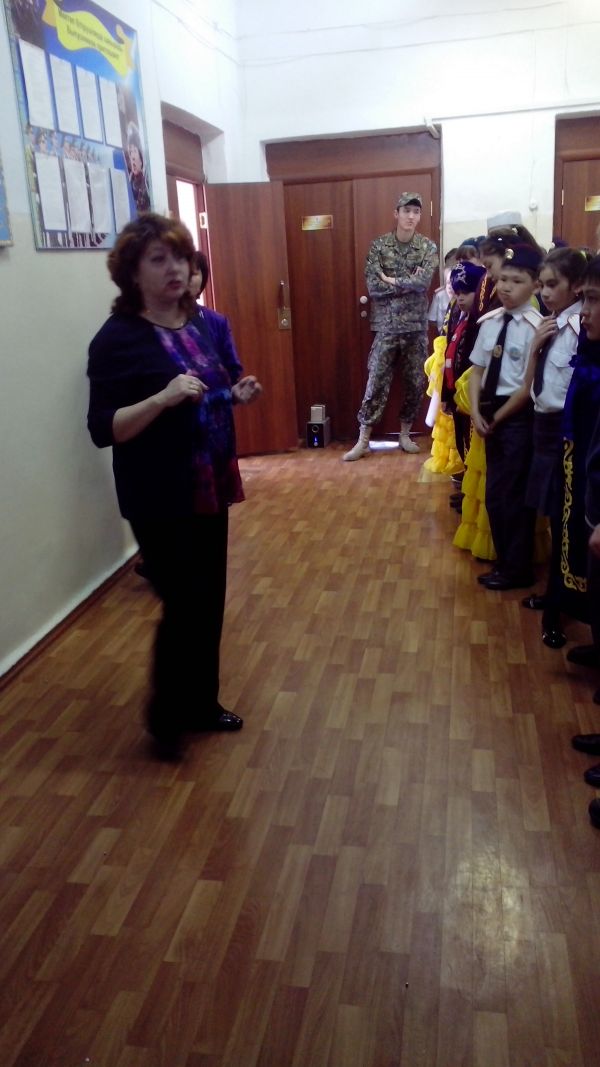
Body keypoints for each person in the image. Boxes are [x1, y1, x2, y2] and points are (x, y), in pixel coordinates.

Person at [87, 213, 262, 760]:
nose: (175, 269)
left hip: (210, 480)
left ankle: (202, 704)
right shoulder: (117, 339)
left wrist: (234, 395)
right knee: (184, 602)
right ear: (132, 273)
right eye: (158, 259)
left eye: (181, 257)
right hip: (158, 492)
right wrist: (161, 399)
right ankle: (165, 719)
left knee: (208, 600)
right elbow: (104, 429)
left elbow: (211, 389)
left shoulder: (201, 324)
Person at [520, 248, 586, 644]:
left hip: (564, 431)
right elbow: (535, 382)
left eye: (552, 284)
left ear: (575, 286)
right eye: (541, 285)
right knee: (551, 513)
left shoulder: (579, 327)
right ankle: (554, 594)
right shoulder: (552, 323)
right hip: (542, 426)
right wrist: (535, 347)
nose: (544, 292)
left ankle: (558, 607)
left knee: (565, 520)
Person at [469, 243, 543, 590]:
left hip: (516, 418)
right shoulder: (490, 322)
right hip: (489, 414)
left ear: (535, 286)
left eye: (517, 281)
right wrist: (475, 412)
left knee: (513, 495)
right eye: (503, 280)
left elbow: (527, 388)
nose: (506, 288)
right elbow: (477, 372)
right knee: (495, 494)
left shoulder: (536, 328)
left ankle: (517, 569)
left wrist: (496, 418)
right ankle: (505, 562)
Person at [343, 192, 438, 461]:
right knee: (376, 381)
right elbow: (374, 287)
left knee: (415, 382)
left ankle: (405, 434)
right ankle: (363, 439)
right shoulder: (379, 246)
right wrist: (407, 282)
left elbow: (423, 284)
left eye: (416, 212)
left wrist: (392, 280)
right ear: (396, 213)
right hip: (386, 326)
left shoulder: (427, 247)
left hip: (415, 327)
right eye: (406, 210)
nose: (411, 216)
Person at [126, 122, 151, 214]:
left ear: (141, 158)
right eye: (130, 152)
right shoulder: (129, 180)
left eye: (134, 151)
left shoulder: (148, 180)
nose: (132, 157)